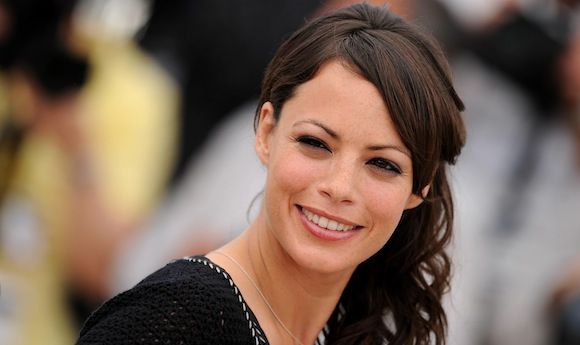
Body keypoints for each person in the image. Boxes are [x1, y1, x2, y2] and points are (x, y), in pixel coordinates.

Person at [76, 3, 466, 345]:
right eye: (316, 143)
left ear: (420, 186)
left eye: (382, 164)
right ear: (265, 132)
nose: (339, 187)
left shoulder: (355, 329)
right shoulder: (172, 319)